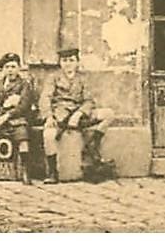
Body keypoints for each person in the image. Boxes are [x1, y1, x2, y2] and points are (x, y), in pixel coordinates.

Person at [41, 46, 114, 183]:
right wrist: (49, 116)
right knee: (48, 135)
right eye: (64, 60)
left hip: (80, 115)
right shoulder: (53, 78)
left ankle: (92, 144)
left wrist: (79, 113)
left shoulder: (82, 78)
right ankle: (52, 172)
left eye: (71, 60)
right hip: (60, 116)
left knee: (108, 114)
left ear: (77, 62)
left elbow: (89, 100)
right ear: (60, 63)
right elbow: (45, 98)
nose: (68, 63)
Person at [0, 52, 38, 183]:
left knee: (22, 135)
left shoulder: (24, 85)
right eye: (7, 67)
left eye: (13, 66)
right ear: (3, 69)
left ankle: (26, 171)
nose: (10, 70)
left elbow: (24, 106)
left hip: (15, 118)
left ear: (19, 68)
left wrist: (7, 116)